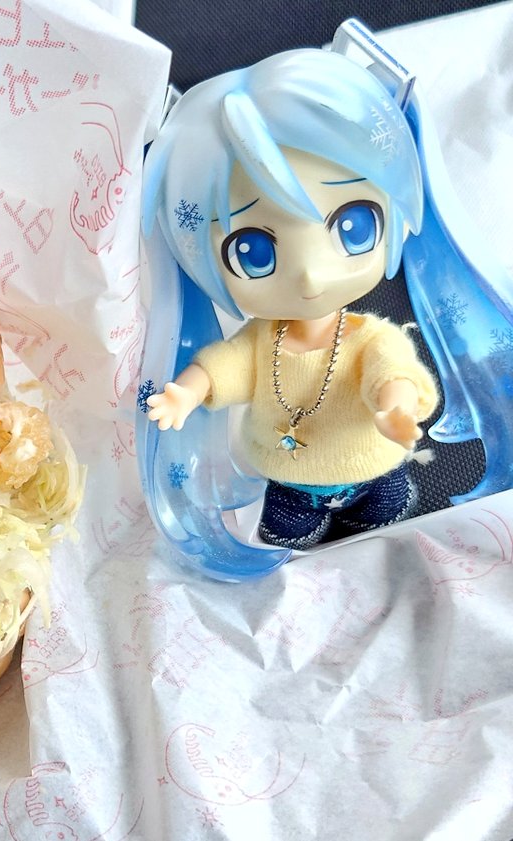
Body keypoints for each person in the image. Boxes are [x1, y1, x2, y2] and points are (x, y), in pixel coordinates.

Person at [136, 24, 513, 577]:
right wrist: (184, 394)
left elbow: (391, 372)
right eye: (255, 252)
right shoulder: (260, 344)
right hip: (289, 484)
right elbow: (222, 367)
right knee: (291, 543)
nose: (311, 274)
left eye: (352, 226)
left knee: (383, 533)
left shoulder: (370, 338)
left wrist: (395, 406)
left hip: (374, 472)